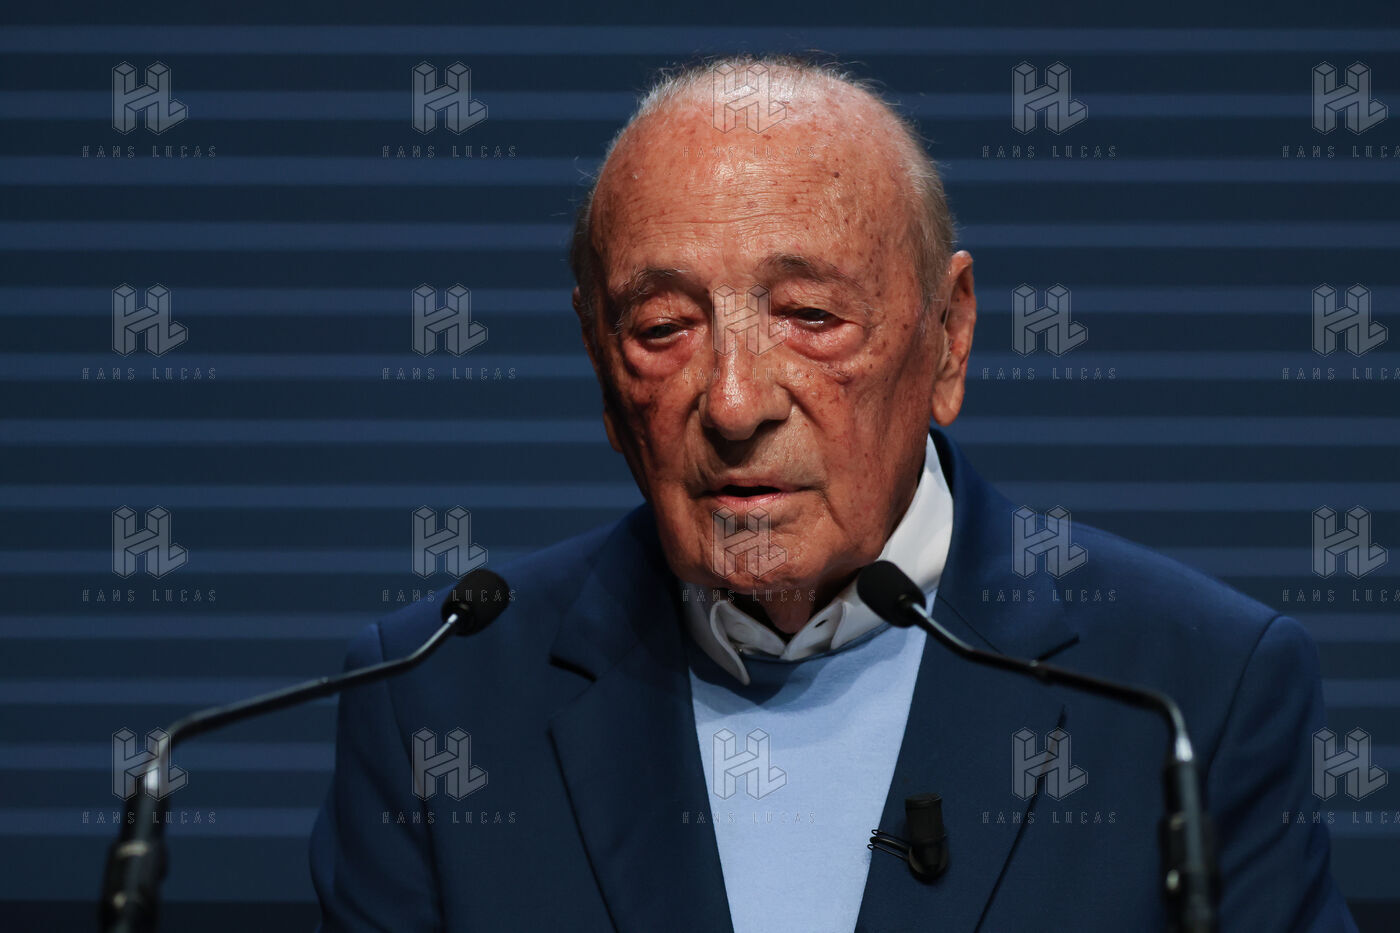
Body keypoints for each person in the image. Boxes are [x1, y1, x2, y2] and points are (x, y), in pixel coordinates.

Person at [311, 56, 1356, 931]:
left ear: (949, 337)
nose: (733, 403)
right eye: (663, 328)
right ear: (598, 360)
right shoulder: (435, 699)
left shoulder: (1192, 690)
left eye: (809, 316)